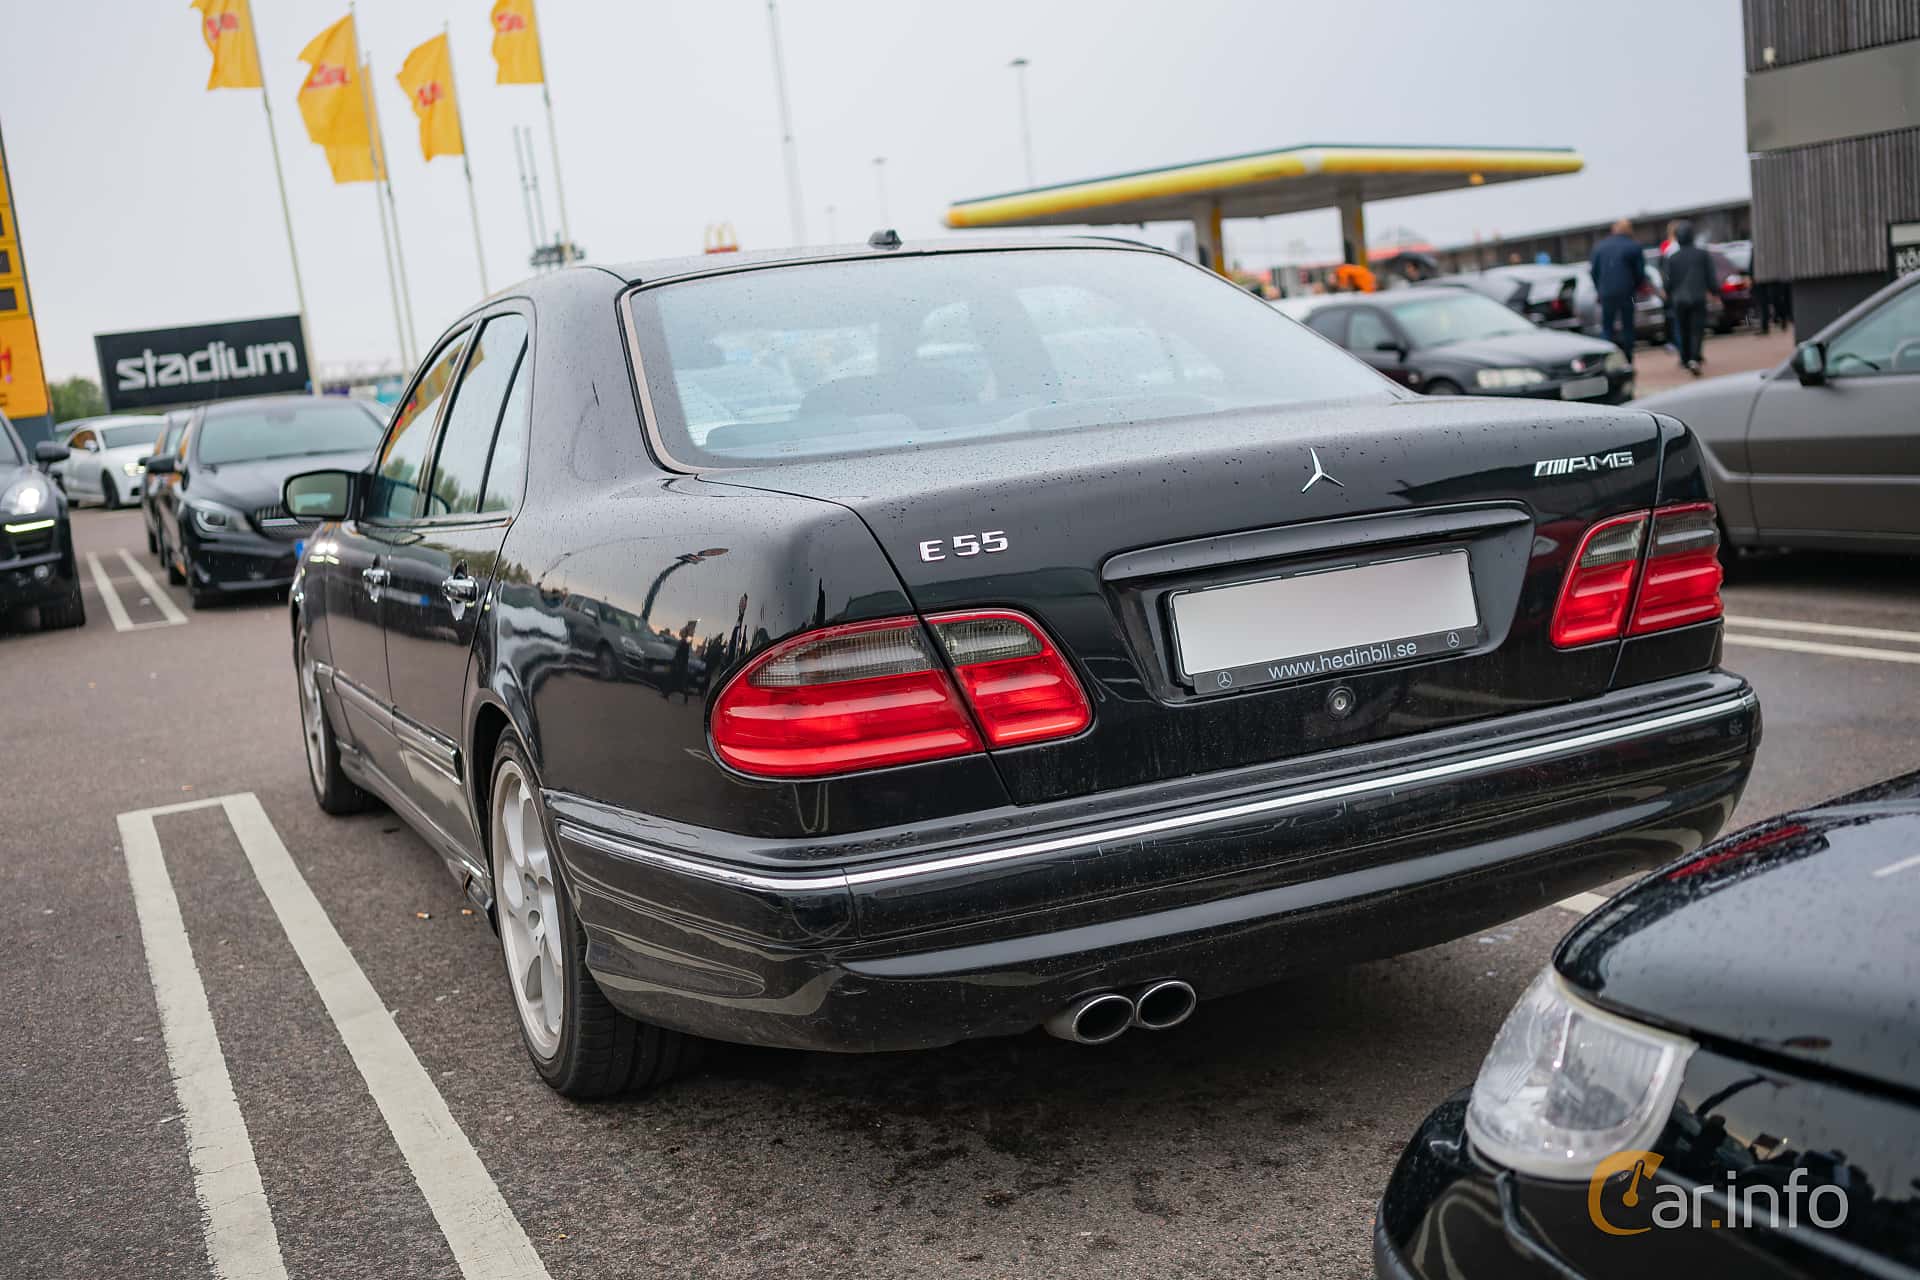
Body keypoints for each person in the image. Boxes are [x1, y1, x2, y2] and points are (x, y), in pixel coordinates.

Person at [1589, 218, 1646, 361]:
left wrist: (1599, 289)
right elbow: (1640, 272)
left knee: (1607, 327)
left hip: (1606, 292)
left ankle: (1606, 358)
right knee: (1628, 326)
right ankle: (1627, 359)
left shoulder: (1600, 247)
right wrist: (1636, 287)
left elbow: (1594, 271)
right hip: (1626, 291)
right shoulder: (1633, 246)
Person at [1662, 220, 1714, 375]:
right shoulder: (1702, 254)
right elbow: (1710, 276)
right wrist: (1715, 291)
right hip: (1698, 297)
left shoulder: (1673, 258)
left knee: (1684, 329)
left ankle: (1685, 359)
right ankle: (1694, 357)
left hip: (1679, 299)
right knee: (1696, 329)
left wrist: (1668, 294)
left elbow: (1667, 281)